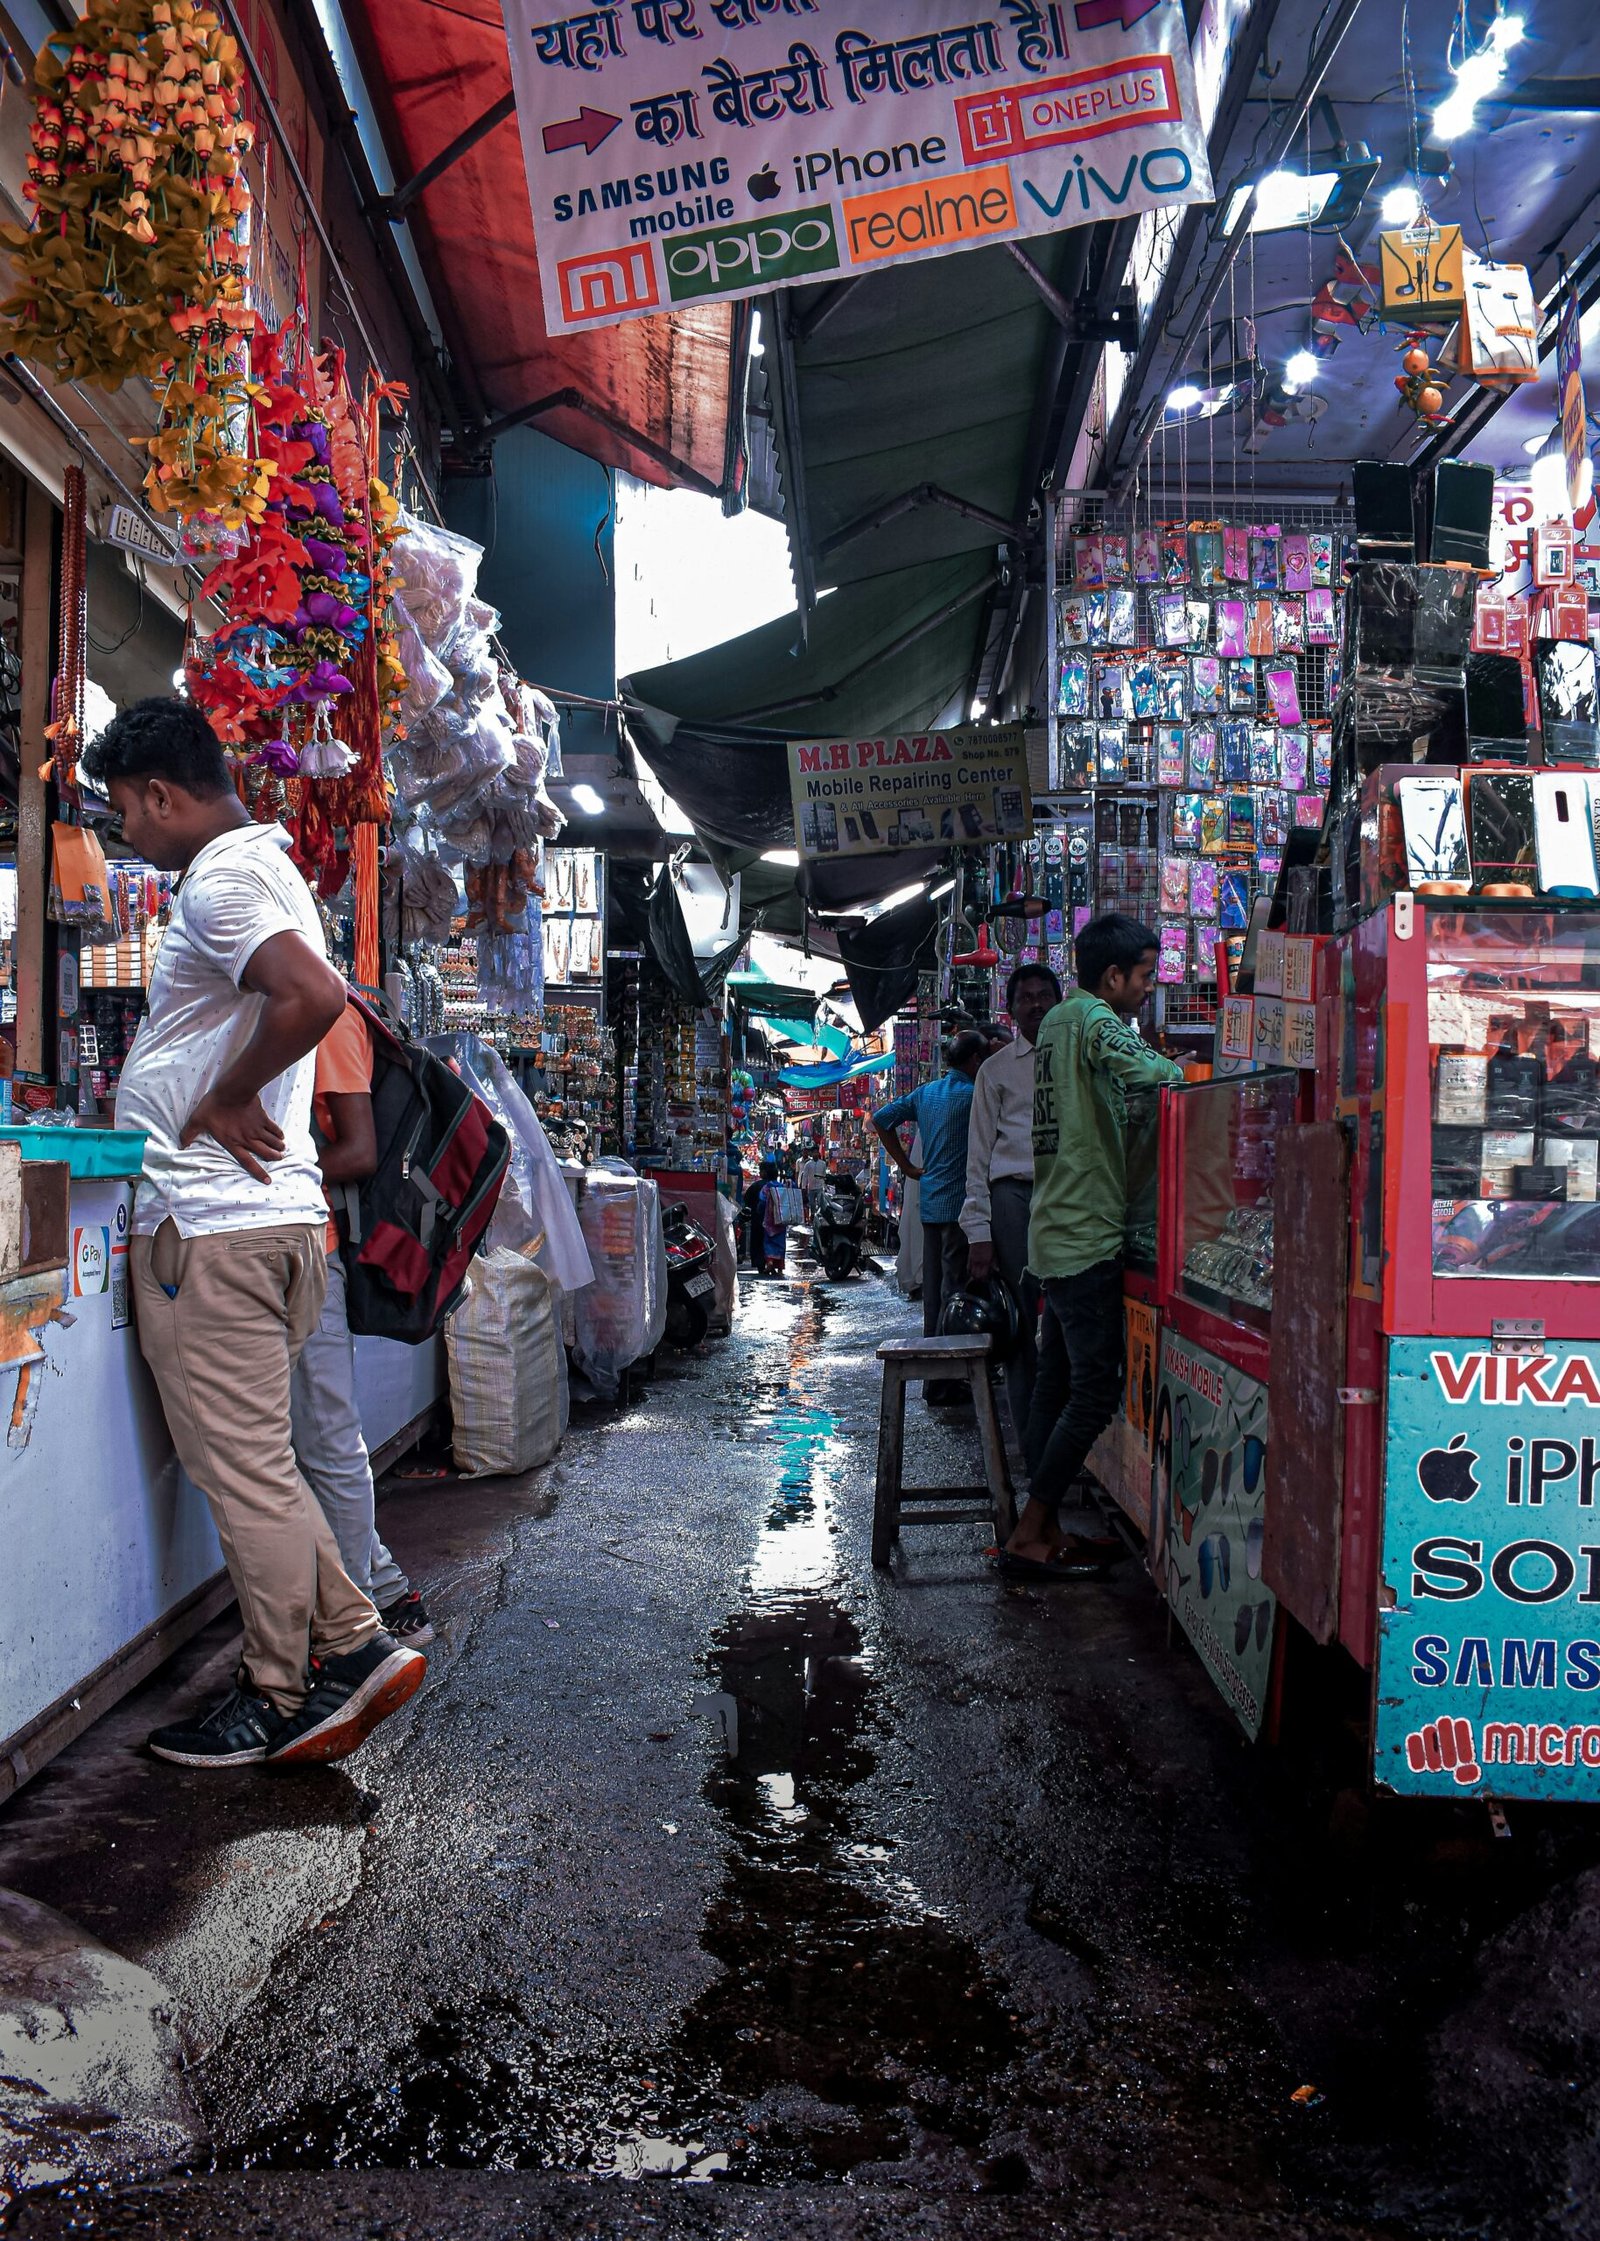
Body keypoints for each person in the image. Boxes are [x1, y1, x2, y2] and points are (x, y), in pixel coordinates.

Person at [86, 698, 427, 1768]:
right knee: (261, 1465)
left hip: (217, 1230)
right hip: (267, 1224)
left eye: (124, 812)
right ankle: (352, 1643)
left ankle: (282, 1691)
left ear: (161, 794)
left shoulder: (224, 881)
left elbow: (312, 996)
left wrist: (229, 1094)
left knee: (245, 1474)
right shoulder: (270, 871)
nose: (125, 833)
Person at [1000, 914, 1185, 1575]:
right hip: (1085, 1235)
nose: (1148, 987)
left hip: (1054, 1228)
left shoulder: (1056, 1021)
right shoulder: (1096, 1019)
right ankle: (1030, 1530)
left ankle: (1042, 1522)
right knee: (1094, 1391)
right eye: (1144, 975)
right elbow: (1149, 1071)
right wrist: (1189, 1072)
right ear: (1112, 976)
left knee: (1054, 1385)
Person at [291, 997, 433, 1646]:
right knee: (312, 1443)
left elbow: (359, 1151)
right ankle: (382, 1590)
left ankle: (355, 1633)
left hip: (314, 1249)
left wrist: (272, 1174)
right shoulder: (301, 1007)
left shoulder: (331, 1015)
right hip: (294, 1245)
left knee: (328, 1441)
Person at [959, 963, 1062, 1448]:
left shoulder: (1078, 1058)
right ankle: (1033, 1446)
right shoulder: (995, 1072)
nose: (1036, 1004)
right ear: (1012, 1009)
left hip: (1067, 1196)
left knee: (1065, 1317)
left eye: (1045, 995)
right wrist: (979, 1232)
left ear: (1059, 1002)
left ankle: (1067, 1445)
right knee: (1022, 1322)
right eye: (1026, 997)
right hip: (1013, 1198)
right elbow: (978, 1156)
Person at [873, 1030, 987, 1403]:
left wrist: (907, 1166)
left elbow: (881, 1119)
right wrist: (906, 1165)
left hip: (932, 1204)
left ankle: (935, 1380)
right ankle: (947, 1380)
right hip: (961, 1208)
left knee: (936, 1294)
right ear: (974, 1060)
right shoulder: (975, 1096)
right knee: (954, 1291)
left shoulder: (927, 1093)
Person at [757, 1156, 789, 1275]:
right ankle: (780, 1267)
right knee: (780, 1243)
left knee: (768, 1241)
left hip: (769, 1219)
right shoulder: (782, 1187)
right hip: (781, 1218)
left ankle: (770, 1262)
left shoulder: (766, 1188)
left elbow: (761, 1202)